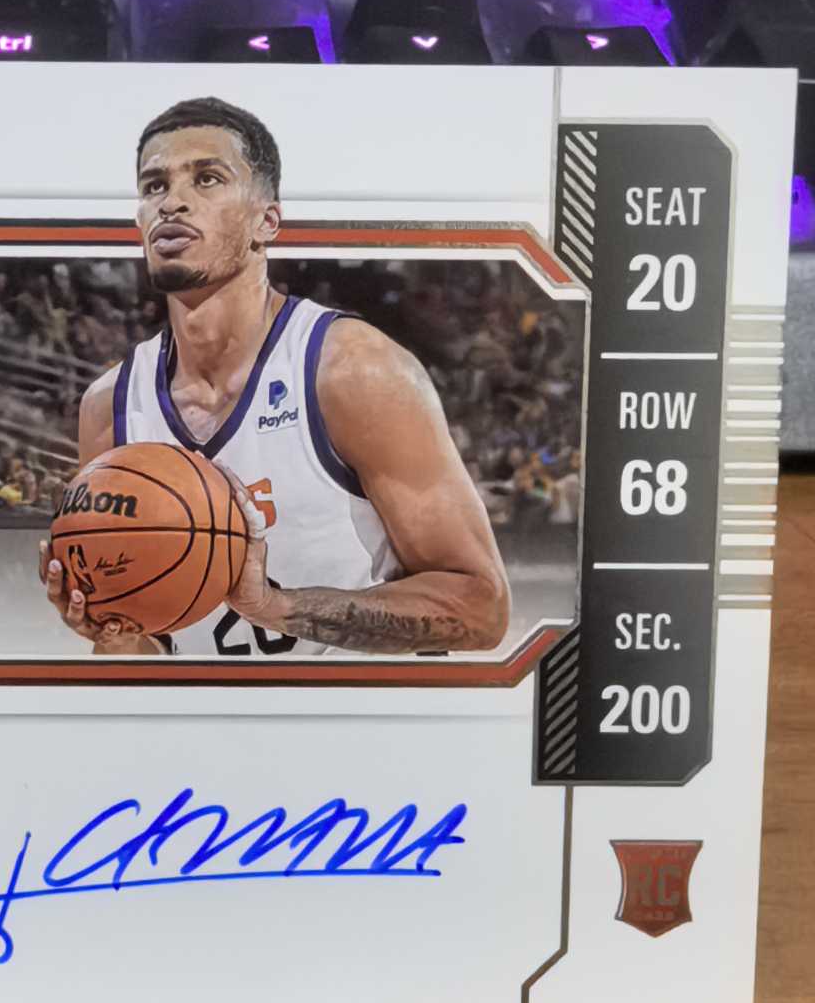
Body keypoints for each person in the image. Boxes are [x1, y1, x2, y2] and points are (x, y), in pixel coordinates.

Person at [39, 95, 510, 656]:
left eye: (207, 179)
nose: (172, 202)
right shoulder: (110, 403)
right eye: (154, 186)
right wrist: (114, 628)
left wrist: (274, 607)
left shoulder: (352, 369)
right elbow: (146, 653)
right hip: (199, 716)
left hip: (354, 713)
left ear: (266, 222)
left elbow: (479, 608)